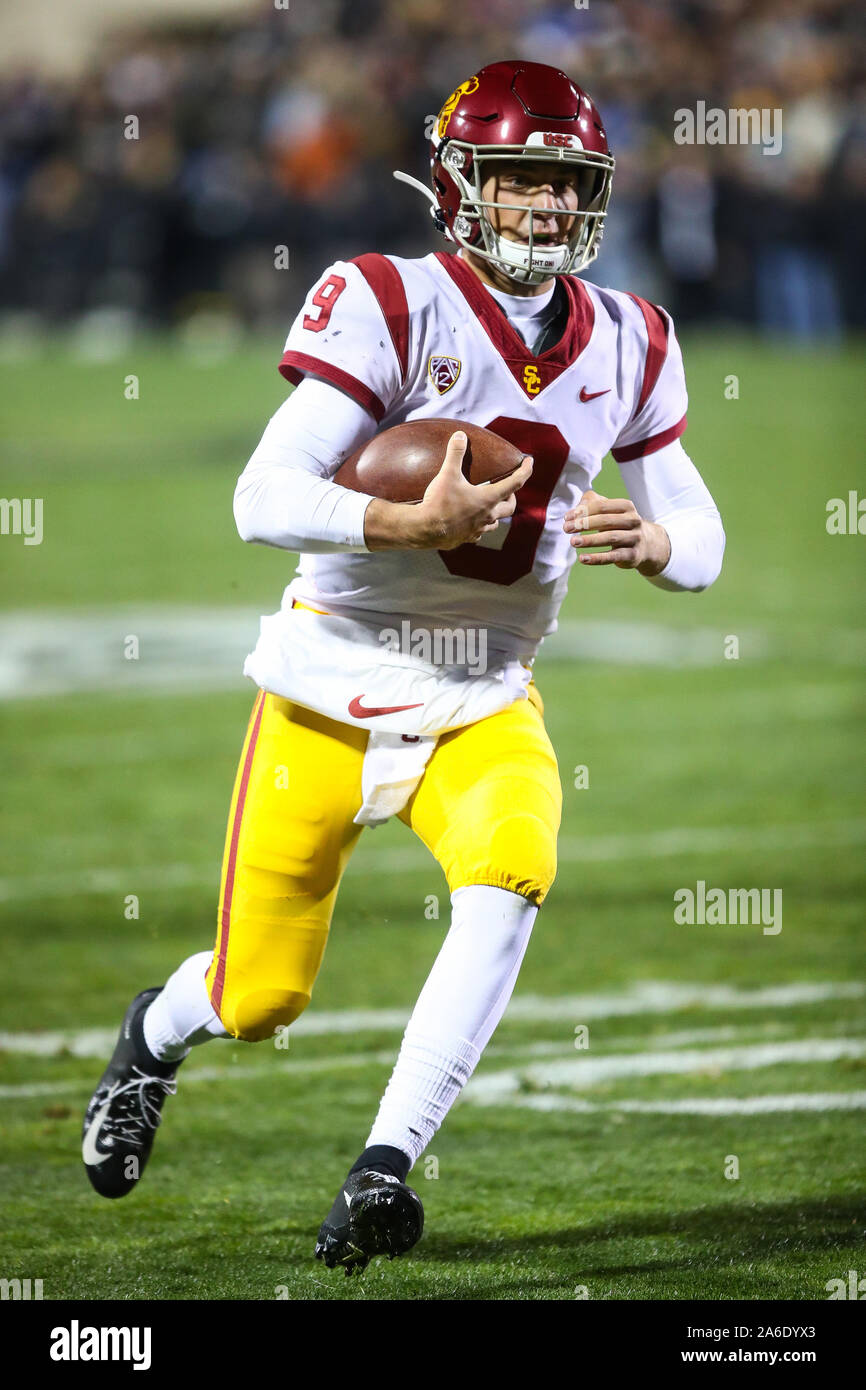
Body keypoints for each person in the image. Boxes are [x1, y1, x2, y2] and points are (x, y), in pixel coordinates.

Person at [82, 60, 724, 1275]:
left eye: (565, 182)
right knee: (259, 997)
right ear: (458, 183)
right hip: (328, 679)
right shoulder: (384, 300)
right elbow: (259, 495)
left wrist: (655, 542)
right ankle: (154, 1039)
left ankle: (383, 1164)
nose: (543, 206)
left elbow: (701, 537)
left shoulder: (634, 337)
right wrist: (398, 524)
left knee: (513, 868)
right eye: (520, 177)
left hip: (483, 688)